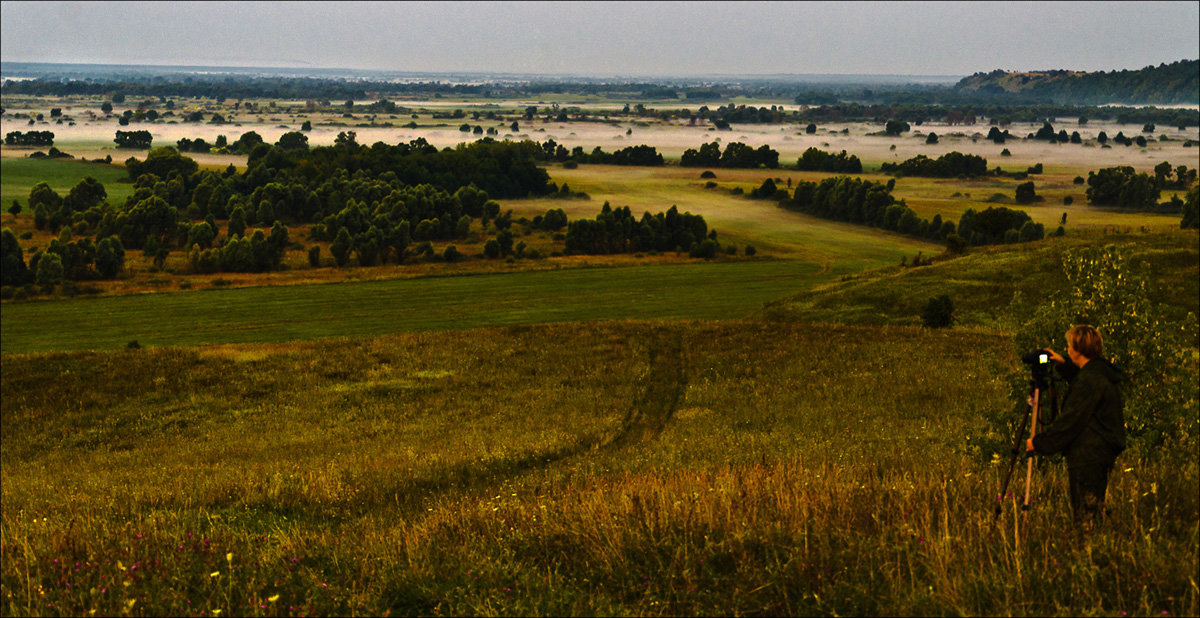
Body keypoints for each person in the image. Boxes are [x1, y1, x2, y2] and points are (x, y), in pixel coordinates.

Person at [1025, 324, 1126, 525]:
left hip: (1088, 453)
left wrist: (1039, 443)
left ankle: (1088, 550)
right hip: (1101, 450)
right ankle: (1093, 545)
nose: (1068, 349)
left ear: (1078, 350)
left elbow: (1070, 422)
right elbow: (1084, 376)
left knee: (1086, 513)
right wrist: (1063, 363)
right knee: (1092, 507)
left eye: (1070, 346)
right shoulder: (1101, 371)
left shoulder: (1089, 381)